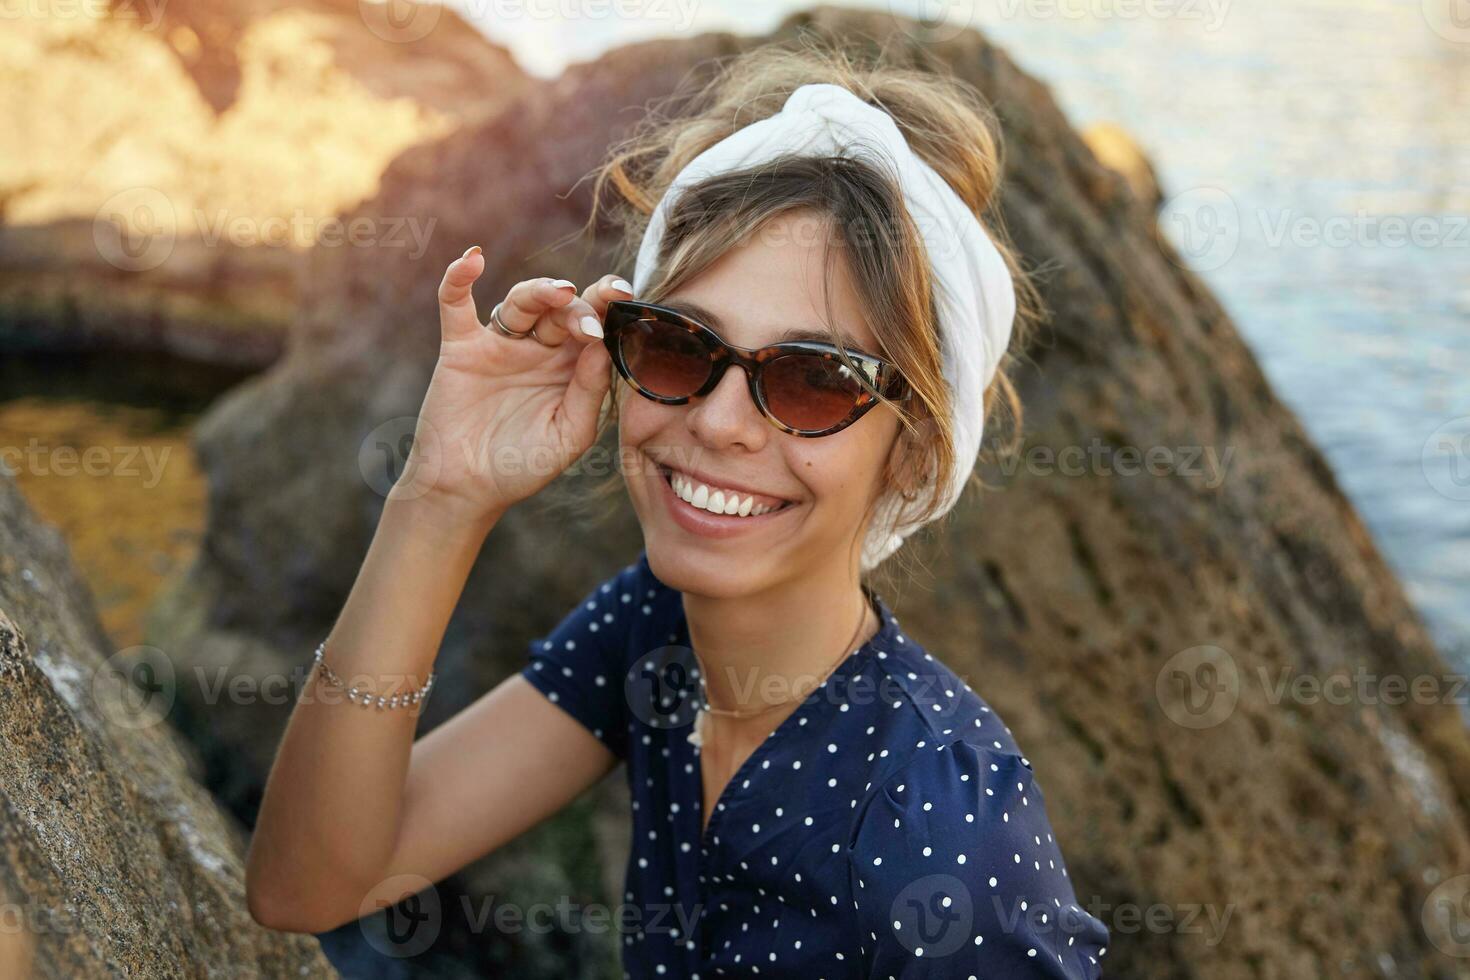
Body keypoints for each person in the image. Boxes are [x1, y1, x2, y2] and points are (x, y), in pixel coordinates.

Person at [246, 37, 1111, 977]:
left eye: (816, 379)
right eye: (677, 346)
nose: (722, 420)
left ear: (914, 454)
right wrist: (440, 496)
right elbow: (310, 885)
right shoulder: (655, 636)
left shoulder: (939, 834)